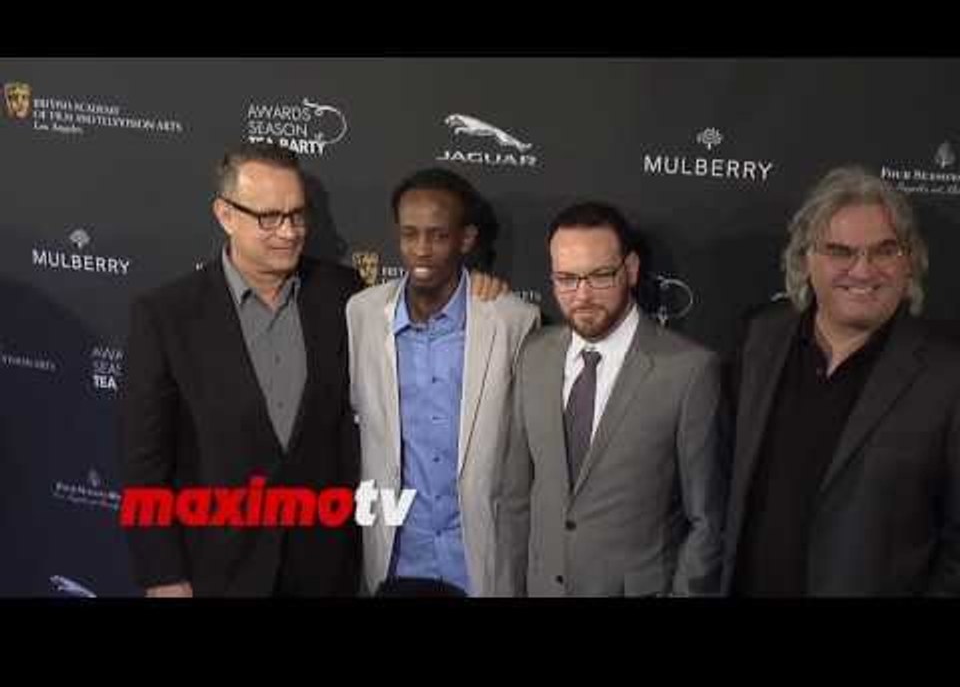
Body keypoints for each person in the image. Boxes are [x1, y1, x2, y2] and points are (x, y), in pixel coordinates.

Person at [120, 143, 362, 596]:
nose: (289, 232)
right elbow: (144, 462)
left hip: (324, 567)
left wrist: (482, 292)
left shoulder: (344, 294)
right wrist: (163, 575)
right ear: (225, 215)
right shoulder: (166, 315)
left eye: (297, 215)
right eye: (269, 217)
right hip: (217, 569)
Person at [723, 165, 960, 596]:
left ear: (909, 261)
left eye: (885, 251)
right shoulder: (760, 338)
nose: (863, 271)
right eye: (840, 251)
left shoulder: (947, 375)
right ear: (805, 260)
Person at [496, 202, 728, 596]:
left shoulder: (689, 371)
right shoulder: (533, 355)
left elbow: (707, 521)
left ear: (631, 269)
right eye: (566, 279)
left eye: (600, 276)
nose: (582, 294)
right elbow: (515, 500)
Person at [347, 167, 539, 597]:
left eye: (438, 236)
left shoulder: (513, 321)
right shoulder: (361, 314)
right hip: (394, 556)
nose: (421, 250)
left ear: (466, 239)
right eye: (409, 234)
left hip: (479, 558)